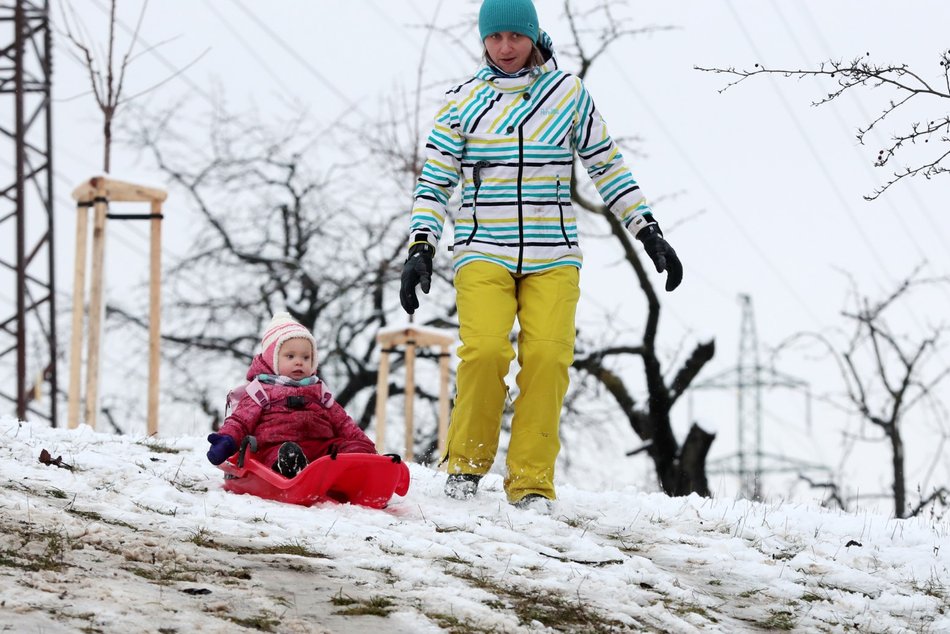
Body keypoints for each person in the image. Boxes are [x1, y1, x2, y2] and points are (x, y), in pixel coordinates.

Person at [399, 0, 683, 509]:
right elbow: (435, 180)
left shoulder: (568, 95)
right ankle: (466, 464)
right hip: (482, 249)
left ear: (533, 36)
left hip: (554, 254)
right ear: (482, 40)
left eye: (515, 36)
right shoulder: (463, 102)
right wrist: (421, 245)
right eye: (494, 37)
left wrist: (648, 231)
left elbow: (608, 166)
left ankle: (530, 483)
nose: (505, 48)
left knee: (549, 360)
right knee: (485, 353)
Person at [205, 312, 377, 476]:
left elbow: (344, 423)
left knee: (347, 447)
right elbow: (240, 421)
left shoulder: (319, 392)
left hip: (323, 451)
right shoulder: (261, 392)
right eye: (290, 356)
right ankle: (288, 467)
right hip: (276, 447)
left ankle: (359, 466)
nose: (299, 362)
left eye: (306, 357)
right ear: (273, 359)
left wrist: (365, 445)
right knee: (284, 453)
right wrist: (226, 440)